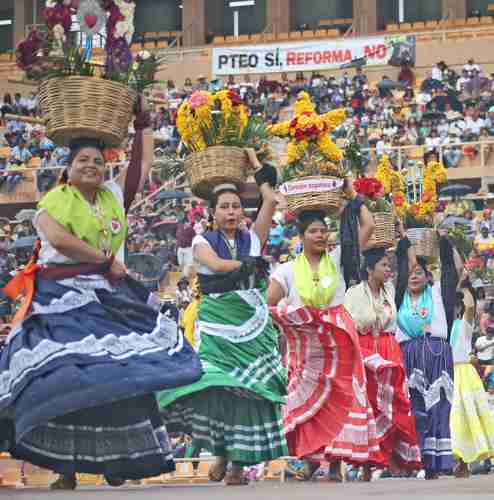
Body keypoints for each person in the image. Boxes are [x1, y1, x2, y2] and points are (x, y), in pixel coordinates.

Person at [0, 104, 202, 490]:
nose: (91, 165)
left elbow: (141, 168)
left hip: (104, 297)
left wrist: (142, 124)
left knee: (116, 375)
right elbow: (59, 240)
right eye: (83, 160)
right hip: (58, 299)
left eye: (97, 160)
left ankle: (117, 459)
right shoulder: (53, 200)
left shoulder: (111, 197)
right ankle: (65, 468)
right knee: (65, 375)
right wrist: (104, 259)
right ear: (69, 167)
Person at [158, 150, 288, 486]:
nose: (232, 211)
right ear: (213, 214)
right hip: (218, 325)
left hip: (253, 326)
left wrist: (257, 166)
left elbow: (270, 200)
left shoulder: (253, 237)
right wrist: (248, 266)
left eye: (236, 206)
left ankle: (235, 465)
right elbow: (214, 265)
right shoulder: (203, 241)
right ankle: (219, 451)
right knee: (218, 386)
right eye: (225, 207)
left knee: (251, 392)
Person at [267, 189, 386, 483]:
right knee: (304, 397)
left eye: (324, 230)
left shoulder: (338, 258)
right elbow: (268, 303)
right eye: (314, 231)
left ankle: (335, 463)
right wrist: (290, 316)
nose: (321, 236)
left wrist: (353, 198)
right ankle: (309, 460)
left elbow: (368, 226)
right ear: (301, 236)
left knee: (343, 396)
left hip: (339, 337)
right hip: (307, 340)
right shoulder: (286, 270)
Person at [344, 247, 422, 478]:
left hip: (389, 350)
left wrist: (403, 239)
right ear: (369, 269)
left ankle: (394, 460)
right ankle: (368, 463)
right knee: (369, 405)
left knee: (395, 405)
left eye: (389, 266)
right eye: (384, 265)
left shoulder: (390, 292)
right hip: (365, 350)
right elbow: (349, 325)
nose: (388, 270)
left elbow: (411, 266)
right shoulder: (353, 293)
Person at [395, 232, 461, 479]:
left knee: (439, 407)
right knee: (414, 409)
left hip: (437, 354)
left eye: (419, 273)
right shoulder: (397, 295)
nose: (414, 276)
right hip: (408, 355)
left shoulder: (436, 294)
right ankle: (414, 460)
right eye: (411, 273)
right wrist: (405, 242)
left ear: (428, 277)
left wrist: (445, 241)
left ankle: (437, 462)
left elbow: (456, 268)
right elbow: (407, 267)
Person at [450, 278, 494, 478]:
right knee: (457, 419)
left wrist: (463, 288)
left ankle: (463, 462)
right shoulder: (451, 325)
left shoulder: (466, 324)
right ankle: (460, 461)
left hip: (465, 374)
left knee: (467, 417)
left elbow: (469, 305)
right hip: (452, 373)